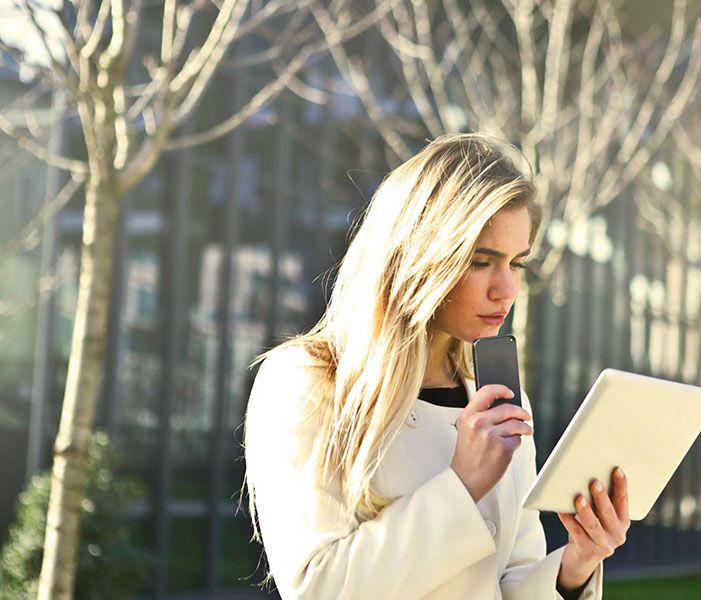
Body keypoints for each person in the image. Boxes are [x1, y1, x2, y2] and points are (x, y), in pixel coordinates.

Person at [243, 132, 630, 599]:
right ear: (422, 256)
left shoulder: (496, 395)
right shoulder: (306, 382)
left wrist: (574, 567)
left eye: (517, 264)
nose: (506, 289)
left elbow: (509, 580)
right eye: (482, 261)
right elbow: (317, 587)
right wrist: (463, 484)